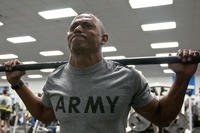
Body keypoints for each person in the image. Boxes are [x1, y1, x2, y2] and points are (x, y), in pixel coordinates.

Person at [3, 13, 200, 133]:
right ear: (68, 38)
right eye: (73, 27)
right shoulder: (55, 78)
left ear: (103, 38)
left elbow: (161, 116)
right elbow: (45, 115)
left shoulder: (128, 77)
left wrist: (183, 78)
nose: (78, 28)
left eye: (87, 25)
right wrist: (17, 84)